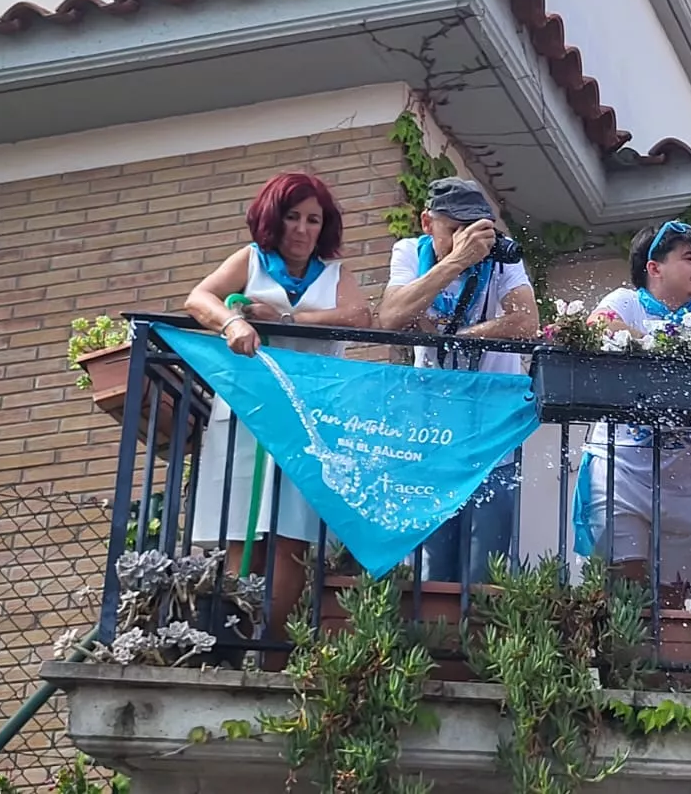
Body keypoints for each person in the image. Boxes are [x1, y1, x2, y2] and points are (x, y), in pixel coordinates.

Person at [185, 172, 373, 648]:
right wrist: (231, 323)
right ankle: (232, 642)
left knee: (292, 535)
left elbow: (359, 317)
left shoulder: (335, 275)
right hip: (248, 415)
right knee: (241, 531)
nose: (303, 229)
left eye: (313, 219)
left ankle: (270, 649)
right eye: (292, 217)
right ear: (273, 219)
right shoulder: (250, 261)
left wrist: (287, 318)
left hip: (307, 420)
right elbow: (199, 298)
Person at [571, 221, 691, 605]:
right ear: (654, 268)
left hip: (682, 483)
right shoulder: (626, 300)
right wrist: (671, 345)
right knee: (626, 596)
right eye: (689, 259)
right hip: (619, 472)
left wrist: (655, 347)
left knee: (672, 606)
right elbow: (599, 327)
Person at [376, 176, 539, 583]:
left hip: (492, 430)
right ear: (427, 222)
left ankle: (478, 626)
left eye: (474, 228)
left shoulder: (500, 256)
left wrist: (460, 335)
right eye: (455, 229)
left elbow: (525, 322)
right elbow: (391, 317)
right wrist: (455, 262)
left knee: (485, 567)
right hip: (431, 430)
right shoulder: (409, 252)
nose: (468, 239)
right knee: (433, 567)